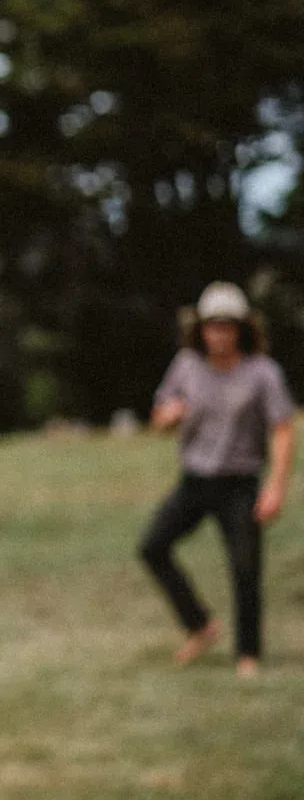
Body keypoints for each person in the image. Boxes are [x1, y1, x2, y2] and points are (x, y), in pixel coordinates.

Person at [141, 281, 296, 679]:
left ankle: (248, 653)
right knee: (153, 547)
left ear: (242, 328)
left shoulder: (262, 372)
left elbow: (282, 428)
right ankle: (200, 626)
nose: (220, 334)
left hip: (240, 482)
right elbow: (159, 416)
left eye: (227, 326)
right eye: (213, 326)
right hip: (196, 480)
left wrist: (276, 487)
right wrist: (169, 417)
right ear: (201, 329)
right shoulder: (187, 366)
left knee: (245, 568)